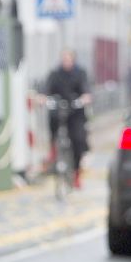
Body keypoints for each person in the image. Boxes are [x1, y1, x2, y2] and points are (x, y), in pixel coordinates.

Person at [44, 50, 91, 188]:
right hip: (59, 109)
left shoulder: (80, 73)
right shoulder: (55, 74)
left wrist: (84, 98)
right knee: (52, 120)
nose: (66, 62)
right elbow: (47, 89)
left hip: (75, 111)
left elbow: (85, 89)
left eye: (68, 59)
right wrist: (43, 97)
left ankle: (76, 173)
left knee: (77, 139)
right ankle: (53, 148)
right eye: (64, 59)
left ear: (73, 60)